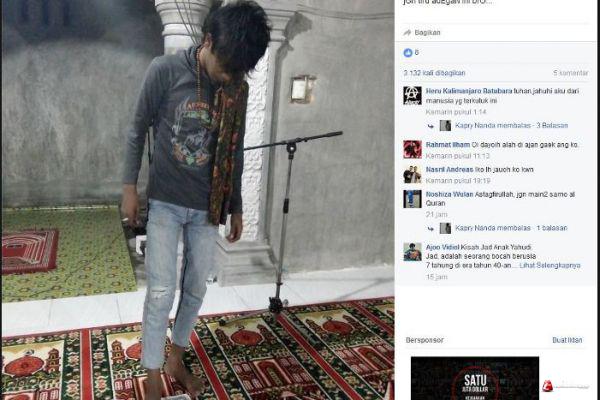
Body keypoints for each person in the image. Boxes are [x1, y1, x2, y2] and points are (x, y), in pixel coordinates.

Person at [120, 2, 271, 398]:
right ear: (208, 41)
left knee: (196, 289)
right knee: (160, 291)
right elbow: (136, 129)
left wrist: (236, 205)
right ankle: (153, 371)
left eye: (239, 72)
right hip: (166, 203)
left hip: (208, 207)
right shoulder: (165, 71)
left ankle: (176, 358)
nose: (230, 77)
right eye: (227, 67)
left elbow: (234, 148)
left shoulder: (235, 87)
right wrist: (129, 187)